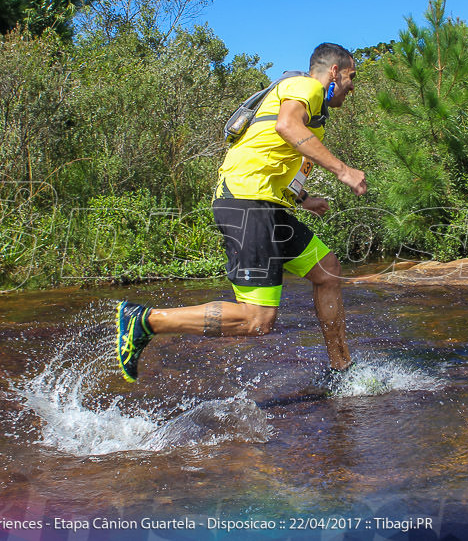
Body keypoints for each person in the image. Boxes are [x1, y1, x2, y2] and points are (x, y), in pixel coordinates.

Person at [115, 43, 367, 382]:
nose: (352, 85)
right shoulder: (306, 86)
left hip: (268, 204)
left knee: (328, 269)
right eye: (351, 76)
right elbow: (287, 127)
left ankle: (342, 369)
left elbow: (273, 154)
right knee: (257, 320)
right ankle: (146, 320)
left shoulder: (314, 108)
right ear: (334, 71)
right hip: (248, 202)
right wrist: (342, 170)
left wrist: (303, 198)